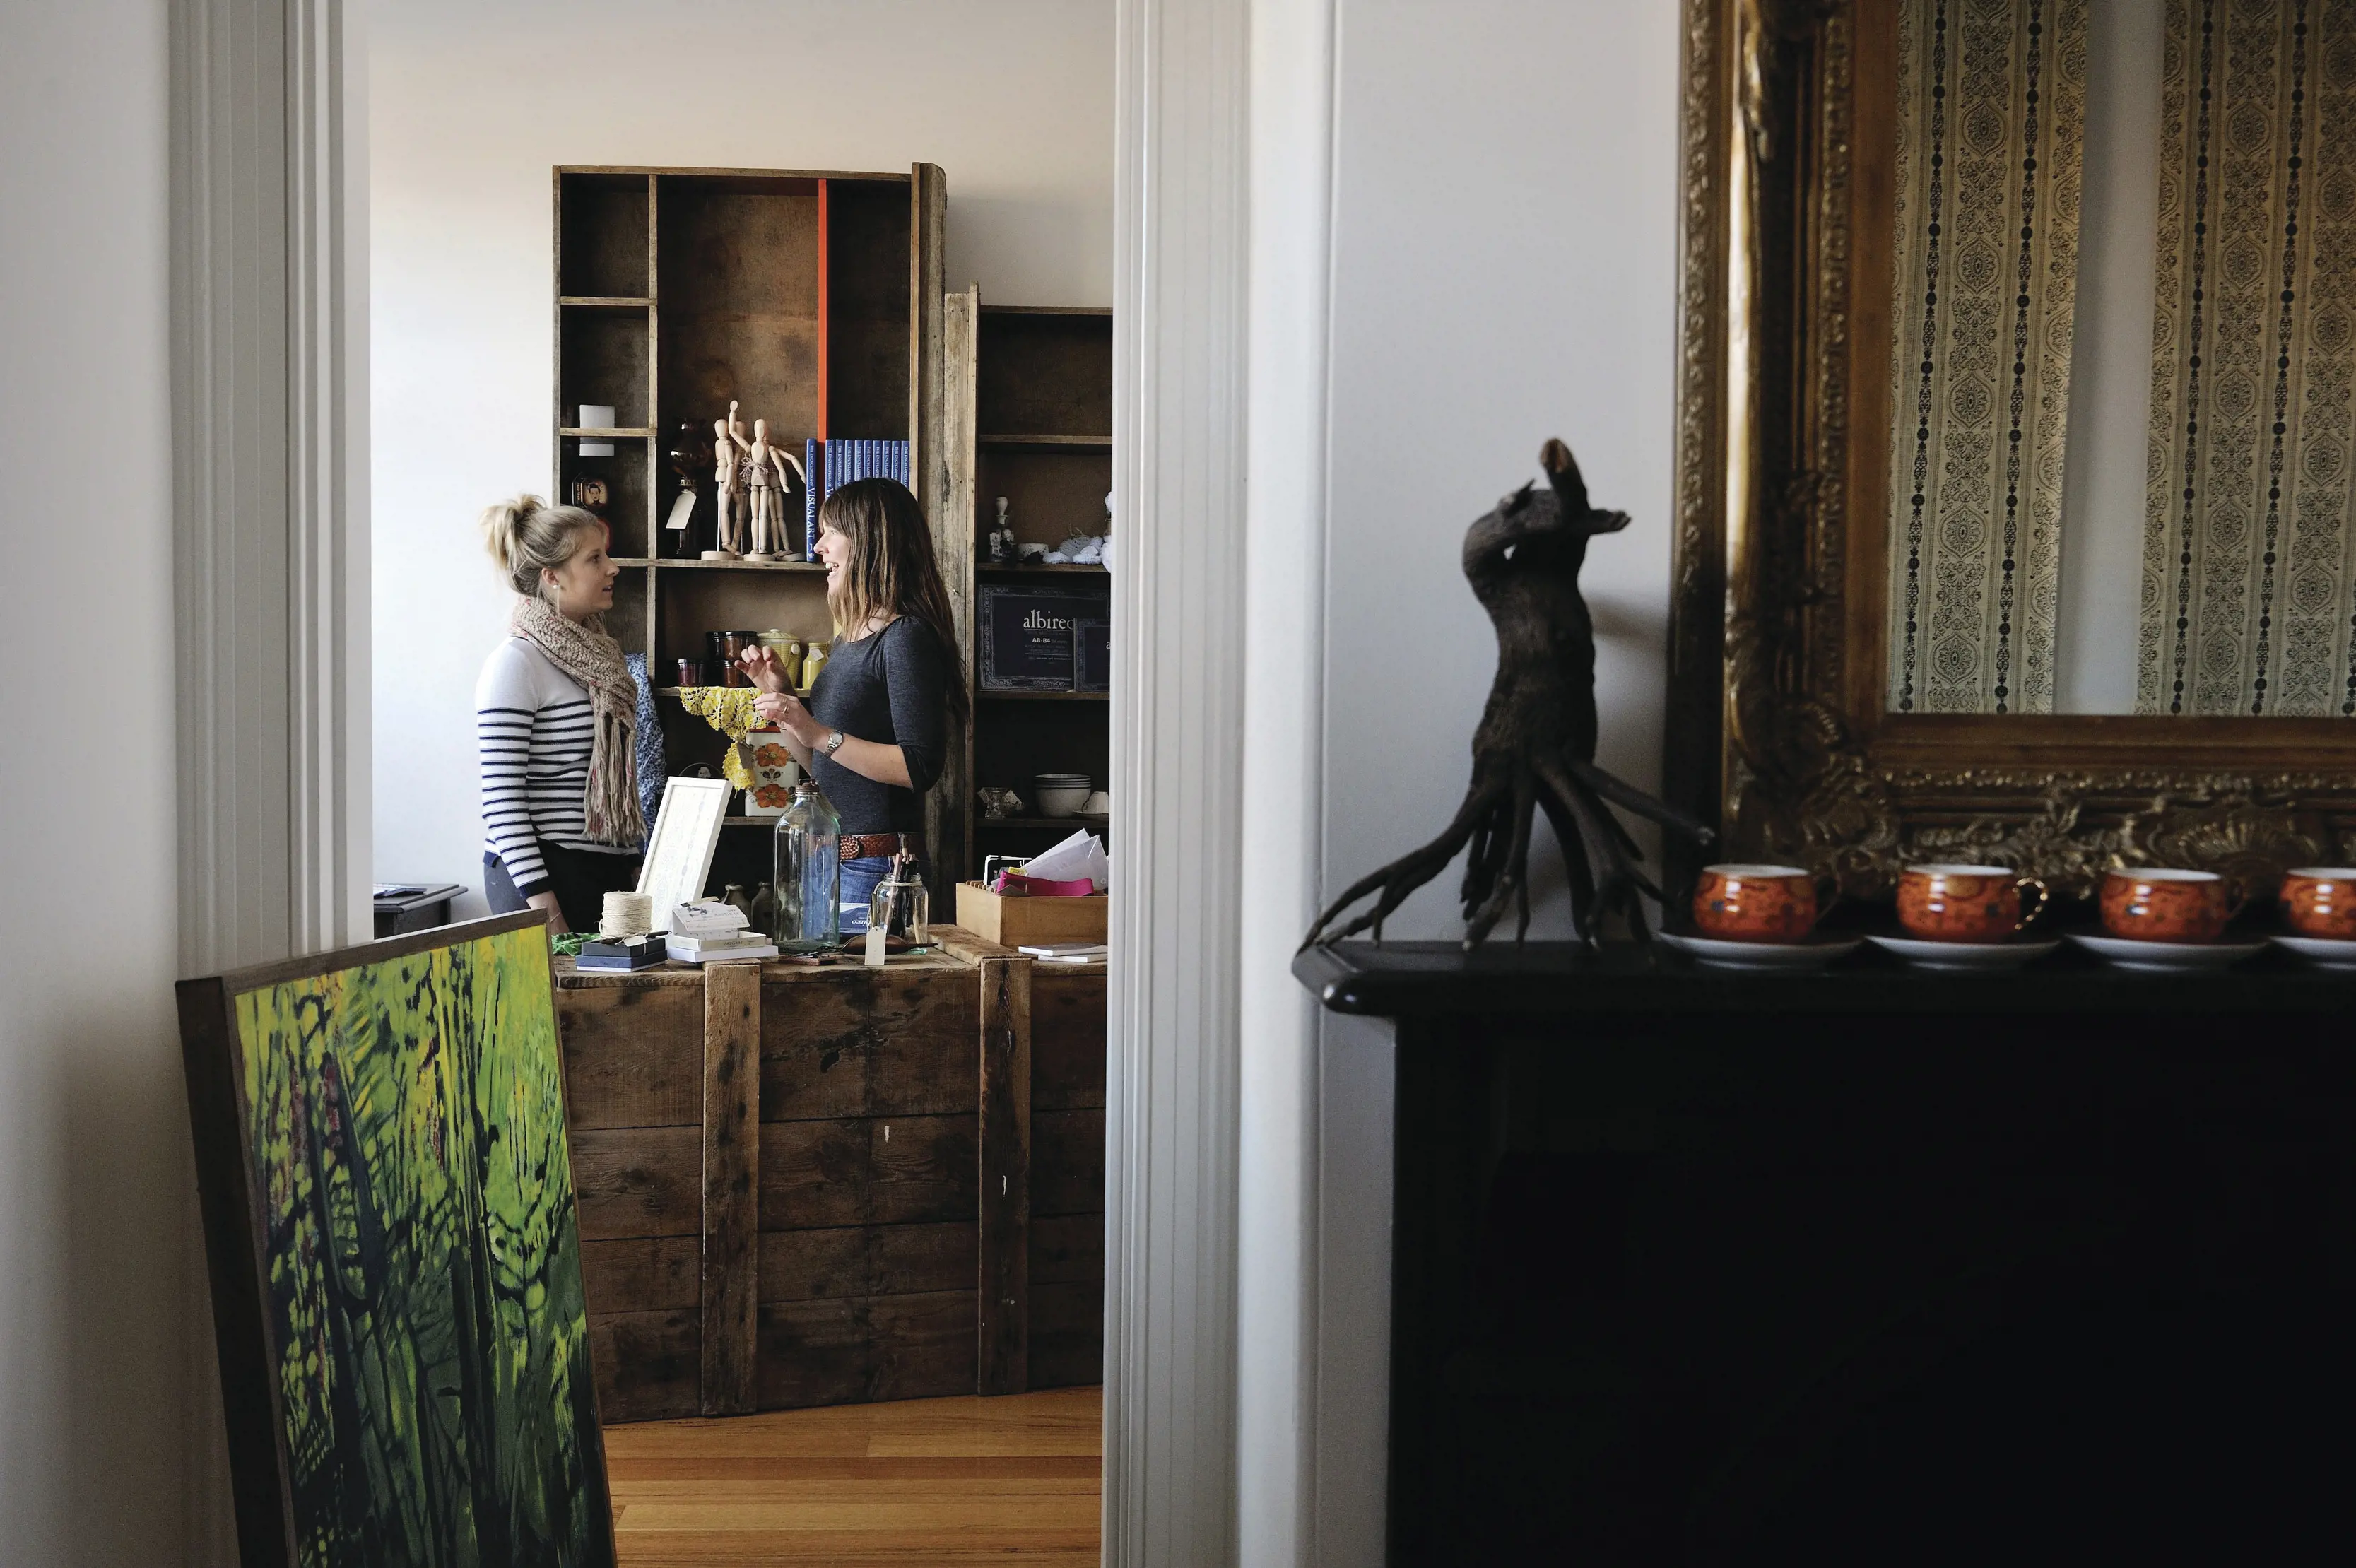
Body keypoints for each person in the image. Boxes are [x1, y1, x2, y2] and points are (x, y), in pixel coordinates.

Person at [738, 477, 966, 933]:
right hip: (835, 862)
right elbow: (825, 763)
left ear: (870, 541)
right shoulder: (848, 641)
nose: (818, 546)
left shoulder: (904, 638)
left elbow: (920, 766)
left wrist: (818, 731)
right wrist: (786, 704)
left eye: (831, 532)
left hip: (878, 869)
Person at [475, 494, 646, 932]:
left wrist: (630, 867)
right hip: (541, 879)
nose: (613, 568)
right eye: (595, 558)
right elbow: (502, 803)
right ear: (552, 577)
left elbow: (614, 781)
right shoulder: (516, 663)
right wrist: (547, 912)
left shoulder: (603, 662)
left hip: (601, 874)